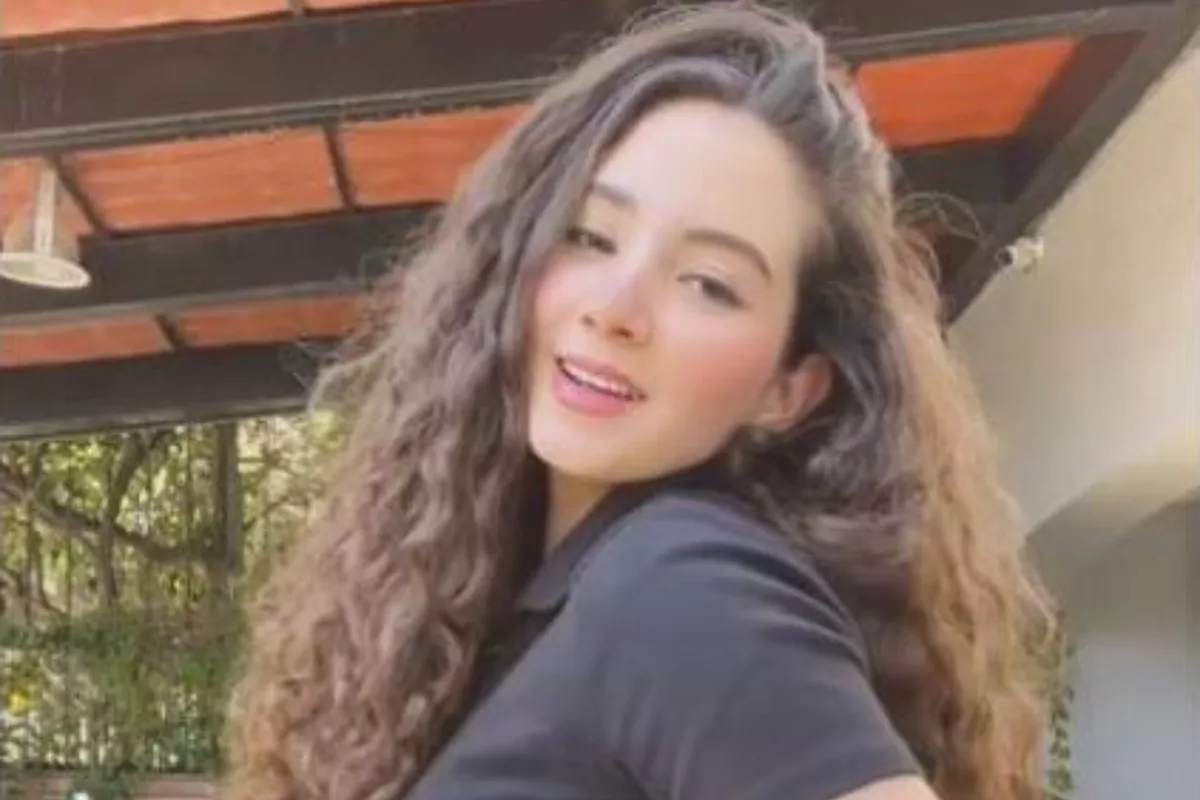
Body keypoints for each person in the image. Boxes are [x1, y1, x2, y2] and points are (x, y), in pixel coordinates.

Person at [224, 5, 1055, 800]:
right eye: (590, 236)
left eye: (710, 284)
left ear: (787, 388)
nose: (615, 308)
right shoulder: (523, 609)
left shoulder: (682, 585)